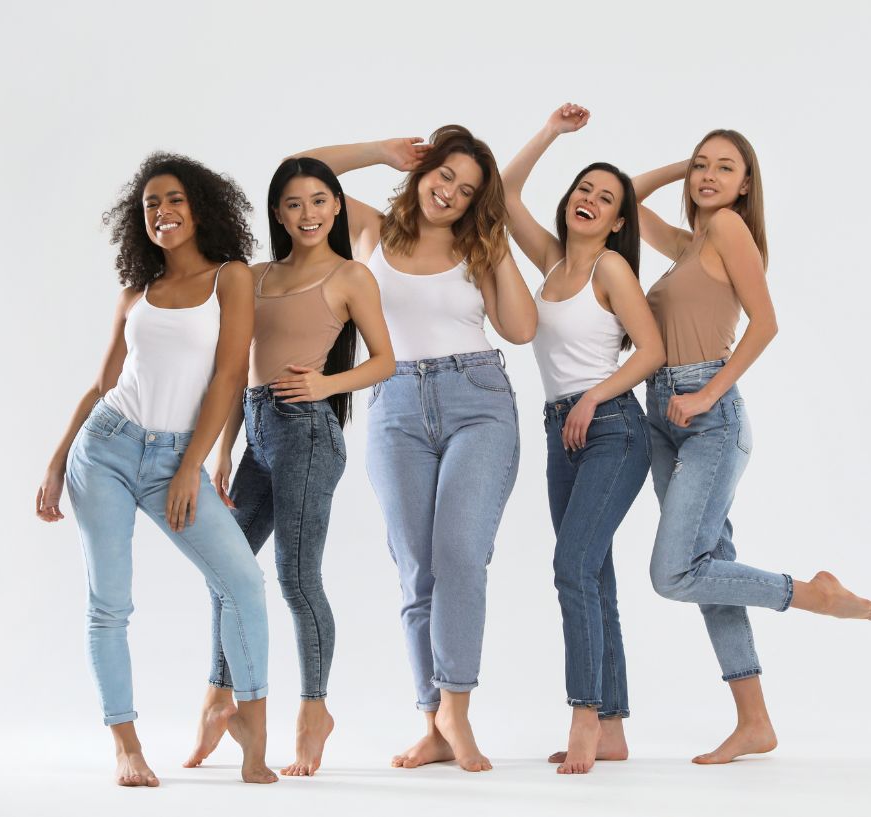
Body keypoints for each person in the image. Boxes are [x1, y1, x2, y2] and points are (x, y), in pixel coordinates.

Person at [291, 125, 537, 772]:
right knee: (414, 566)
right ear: (423, 171)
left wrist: (498, 241)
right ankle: (432, 723)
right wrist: (378, 152)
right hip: (394, 404)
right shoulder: (371, 230)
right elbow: (302, 172)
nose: (450, 194)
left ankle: (456, 705)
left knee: (459, 551)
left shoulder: (479, 247)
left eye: (467, 191)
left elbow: (520, 328)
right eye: (444, 176)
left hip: (477, 400)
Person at [634, 131, 871, 764]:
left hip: (707, 417)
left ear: (746, 185)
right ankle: (754, 723)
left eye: (724, 168)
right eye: (701, 166)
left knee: (673, 573)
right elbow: (625, 204)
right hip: (663, 413)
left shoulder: (727, 230)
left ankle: (812, 594)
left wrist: (709, 394)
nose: (709, 176)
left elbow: (765, 323)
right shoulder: (691, 245)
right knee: (710, 568)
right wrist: (678, 168)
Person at [35, 152, 277, 786]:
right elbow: (101, 385)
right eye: (150, 206)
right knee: (110, 604)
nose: (162, 212)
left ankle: (251, 724)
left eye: (173, 200)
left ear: (199, 208)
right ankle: (126, 745)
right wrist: (58, 460)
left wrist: (190, 466)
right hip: (106, 448)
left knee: (243, 584)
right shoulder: (135, 296)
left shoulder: (232, 279)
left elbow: (229, 375)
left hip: (178, 455)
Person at [186, 158, 395, 777]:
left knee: (296, 578)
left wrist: (327, 382)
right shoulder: (253, 277)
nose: (308, 214)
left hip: (308, 434)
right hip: (256, 432)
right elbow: (234, 367)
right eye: (295, 203)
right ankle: (219, 698)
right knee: (228, 569)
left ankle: (313, 710)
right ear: (277, 212)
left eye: (320, 201)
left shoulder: (351, 275)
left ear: (336, 208)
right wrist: (224, 449)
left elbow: (384, 360)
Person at [502, 103, 666, 774]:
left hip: (613, 428)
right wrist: (551, 132)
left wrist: (596, 395)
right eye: (583, 191)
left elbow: (650, 349)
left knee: (571, 567)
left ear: (619, 221)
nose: (590, 201)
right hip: (558, 428)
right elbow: (505, 193)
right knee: (593, 573)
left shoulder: (610, 271)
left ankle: (584, 714)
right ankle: (616, 725)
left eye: (606, 198)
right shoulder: (549, 262)